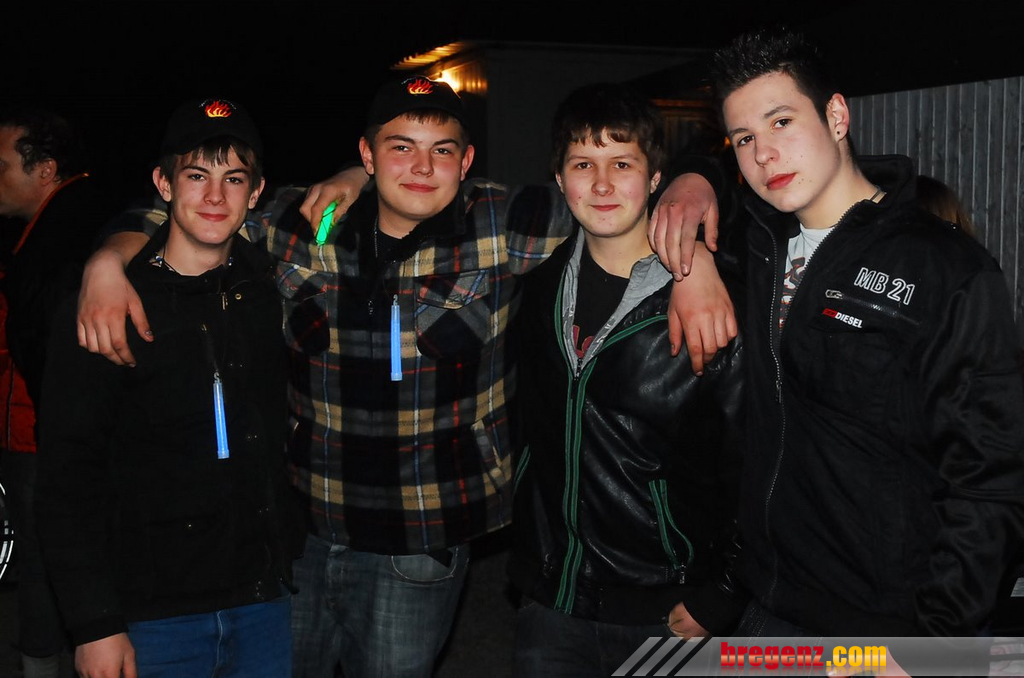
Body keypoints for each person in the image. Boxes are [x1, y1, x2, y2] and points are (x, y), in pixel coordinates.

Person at [74, 76, 734, 677]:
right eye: (400, 148)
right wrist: (106, 262)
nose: (421, 167)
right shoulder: (307, 223)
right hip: (302, 535)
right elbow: (190, 208)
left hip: (422, 541)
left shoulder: (501, 223)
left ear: (466, 163)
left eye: (441, 150)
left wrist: (692, 241)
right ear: (366, 154)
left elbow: (623, 197)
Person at [658, 28, 1024, 638]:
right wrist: (690, 250)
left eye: (781, 122)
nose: (764, 154)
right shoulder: (756, 246)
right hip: (765, 605)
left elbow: (991, 479)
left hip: (886, 627)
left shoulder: (944, 268)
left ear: (835, 116)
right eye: (745, 138)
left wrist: (936, 641)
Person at [35, 97, 298, 677]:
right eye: (197, 176)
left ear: (256, 192)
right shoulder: (108, 306)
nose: (215, 196)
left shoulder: (268, 288)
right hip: (151, 617)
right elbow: (66, 476)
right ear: (163, 183)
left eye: (234, 179)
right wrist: (94, 623)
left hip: (264, 603)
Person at [507, 83, 745, 677]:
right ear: (559, 180)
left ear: (656, 178)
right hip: (552, 600)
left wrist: (725, 591)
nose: (602, 185)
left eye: (622, 164)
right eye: (582, 165)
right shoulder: (536, 288)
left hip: (669, 611)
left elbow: (756, 458)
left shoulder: (713, 300)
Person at [0, 106, 113, 678]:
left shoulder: (66, 234)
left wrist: (61, 437)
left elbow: (48, 350)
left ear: (44, 168)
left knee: (46, 562)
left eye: (1, 165)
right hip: (37, 432)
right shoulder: (54, 225)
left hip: (43, 438)